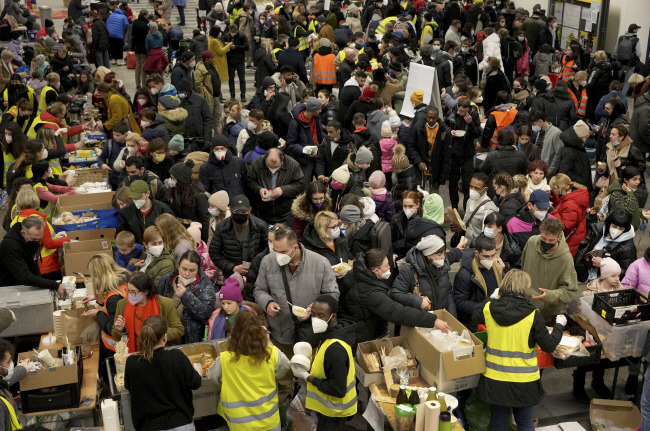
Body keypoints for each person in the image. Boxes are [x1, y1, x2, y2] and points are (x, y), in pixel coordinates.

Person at [473, 269, 565, 431]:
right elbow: (549, 345)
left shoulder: (489, 308)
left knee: (498, 422)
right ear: (525, 288)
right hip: (524, 382)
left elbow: (475, 314)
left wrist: (492, 297)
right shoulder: (532, 315)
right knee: (524, 422)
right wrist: (559, 326)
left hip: (495, 380)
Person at [344, 248, 451, 343]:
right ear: (376, 270)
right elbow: (397, 312)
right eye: (386, 265)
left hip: (363, 325)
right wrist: (432, 320)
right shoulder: (370, 292)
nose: (389, 267)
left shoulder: (358, 274)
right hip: (364, 335)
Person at [208, 309, 290, 431]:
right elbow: (284, 368)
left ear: (233, 335)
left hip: (239, 424)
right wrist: (267, 341)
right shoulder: (272, 353)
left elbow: (213, 378)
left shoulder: (225, 359)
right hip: (269, 421)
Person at [125, 315, 202, 431]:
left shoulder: (132, 363)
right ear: (165, 337)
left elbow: (129, 386)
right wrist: (198, 370)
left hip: (149, 426)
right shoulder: (176, 356)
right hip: (180, 424)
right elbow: (195, 383)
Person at [292, 295, 358, 430]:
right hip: (330, 409)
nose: (315, 319)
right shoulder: (331, 334)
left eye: (321, 315)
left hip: (333, 412)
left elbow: (338, 389)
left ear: (332, 316)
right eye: (313, 314)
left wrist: (308, 377)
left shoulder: (334, 349)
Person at [520, 218, 579, 321]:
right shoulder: (531, 242)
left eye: (551, 240)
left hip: (546, 314)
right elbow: (523, 267)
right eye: (544, 238)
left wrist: (549, 295)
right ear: (541, 232)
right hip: (524, 305)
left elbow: (570, 291)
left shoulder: (565, 258)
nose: (546, 242)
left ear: (559, 237)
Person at [113, 272, 184, 352]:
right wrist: (120, 330)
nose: (130, 294)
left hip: (157, 352)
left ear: (145, 292)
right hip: (133, 353)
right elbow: (115, 334)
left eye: (133, 292)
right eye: (128, 290)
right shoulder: (122, 304)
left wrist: (157, 333)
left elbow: (179, 329)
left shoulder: (165, 303)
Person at [391, 234, 461, 314]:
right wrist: (417, 300)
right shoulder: (409, 270)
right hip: (420, 319)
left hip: (440, 318)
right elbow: (395, 293)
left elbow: (448, 293)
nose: (444, 257)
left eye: (444, 253)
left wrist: (452, 317)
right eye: (439, 255)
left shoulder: (442, 266)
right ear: (429, 255)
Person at [9, 189, 70, 280]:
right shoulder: (39, 220)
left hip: (28, 265)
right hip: (47, 265)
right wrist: (66, 240)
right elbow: (49, 244)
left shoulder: (15, 221)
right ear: (36, 201)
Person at [158, 250, 216, 343]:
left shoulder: (206, 287)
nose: (187, 273)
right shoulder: (166, 280)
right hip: (164, 335)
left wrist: (186, 296)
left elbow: (206, 313)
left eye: (192, 270)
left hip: (188, 338)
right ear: (178, 266)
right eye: (184, 269)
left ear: (198, 270)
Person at [0, 216, 66, 296]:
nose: (37, 242)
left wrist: (43, 287)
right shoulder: (9, 246)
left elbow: (34, 266)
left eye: (40, 238)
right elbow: (24, 276)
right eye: (34, 239)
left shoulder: (30, 240)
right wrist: (54, 285)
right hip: (10, 289)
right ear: (23, 233)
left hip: (25, 286)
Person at [209, 194, 268, 281]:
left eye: (243, 212)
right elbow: (214, 253)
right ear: (230, 210)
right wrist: (232, 268)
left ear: (249, 210)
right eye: (236, 211)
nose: (240, 214)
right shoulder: (222, 227)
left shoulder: (261, 226)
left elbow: (268, 250)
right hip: (231, 276)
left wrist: (255, 266)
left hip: (257, 274)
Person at [453, 234, 504, 330]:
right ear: (476, 253)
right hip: (474, 323)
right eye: (486, 256)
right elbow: (459, 302)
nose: (490, 259)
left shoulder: (497, 267)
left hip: (493, 319)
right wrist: (484, 307)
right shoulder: (464, 275)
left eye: (493, 255)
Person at [247, 148, 304, 224]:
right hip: (262, 213)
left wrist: (283, 190)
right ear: (265, 158)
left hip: (286, 213)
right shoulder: (257, 163)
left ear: (282, 159)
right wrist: (259, 189)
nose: (272, 170)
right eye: (269, 166)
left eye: (276, 167)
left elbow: (300, 185)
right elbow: (250, 181)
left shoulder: (293, 165)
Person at [447, 97, 481, 211]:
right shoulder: (451, 114)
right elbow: (444, 128)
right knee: (453, 182)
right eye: (461, 111)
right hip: (454, 153)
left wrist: (470, 123)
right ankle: (454, 206)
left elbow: (477, 134)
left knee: (468, 184)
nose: (463, 113)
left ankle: (467, 208)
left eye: (465, 111)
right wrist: (449, 132)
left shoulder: (474, 115)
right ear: (457, 107)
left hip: (468, 154)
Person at [408, 107, 451, 193]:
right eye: (429, 117)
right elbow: (410, 146)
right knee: (419, 194)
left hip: (436, 169)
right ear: (425, 117)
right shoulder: (418, 127)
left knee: (434, 196)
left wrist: (443, 175)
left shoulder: (444, 130)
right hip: (420, 169)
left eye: (433, 118)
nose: (431, 120)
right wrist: (418, 161)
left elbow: (446, 154)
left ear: (438, 117)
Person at [117, 180, 174, 244]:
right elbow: (122, 233)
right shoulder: (126, 212)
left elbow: (172, 232)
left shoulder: (163, 210)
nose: (136, 200)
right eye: (134, 197)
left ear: (148, 193)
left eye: (139, 197)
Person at [549, 174, 589, 257]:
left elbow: (565, 226)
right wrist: (553, 197)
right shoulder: (572, 196)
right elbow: (562, 206)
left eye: (554, 189)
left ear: (560, 188)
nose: (553, 190)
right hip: (576, 238)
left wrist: (552, 211)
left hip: (571, 243)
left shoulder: (570, 204)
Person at [167, 160, 210, 236]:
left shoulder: (199, 196)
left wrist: (203, 242)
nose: (170, 181)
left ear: (181, 180)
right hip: (179, 232)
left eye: (173, 178)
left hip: (194, 233)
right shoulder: (174, 191)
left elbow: (205, 221)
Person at [286, 97, 324, 183]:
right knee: (304, 186)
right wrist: (304, 150)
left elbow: (320, 134)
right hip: (304, 161)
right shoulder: (295, 123)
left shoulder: (316, 119)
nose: (320, 111)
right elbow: (290, 144)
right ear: (313, 110)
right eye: (319, 109)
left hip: (318, 156)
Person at [558, 121, 593, 191]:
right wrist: (582, 181)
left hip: (581, 187)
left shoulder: (578, 146)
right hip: (576, 189)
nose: (586, 138)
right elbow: (565, 172)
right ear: (580, 136)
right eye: (585, 136)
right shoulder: (569, 151)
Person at [223, 24, 249, 102]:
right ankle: (232, 95)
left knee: (242, 79)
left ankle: (243, 95)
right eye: (230, 30)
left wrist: (236, 47)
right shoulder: (226, 35)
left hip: (240, 60)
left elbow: (246, 46)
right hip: (230, 60)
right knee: (231, 79)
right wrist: (226, 44)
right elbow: (221, 43)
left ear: (236, 29)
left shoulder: (242, 35)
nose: (232, 32)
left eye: (233, 30)